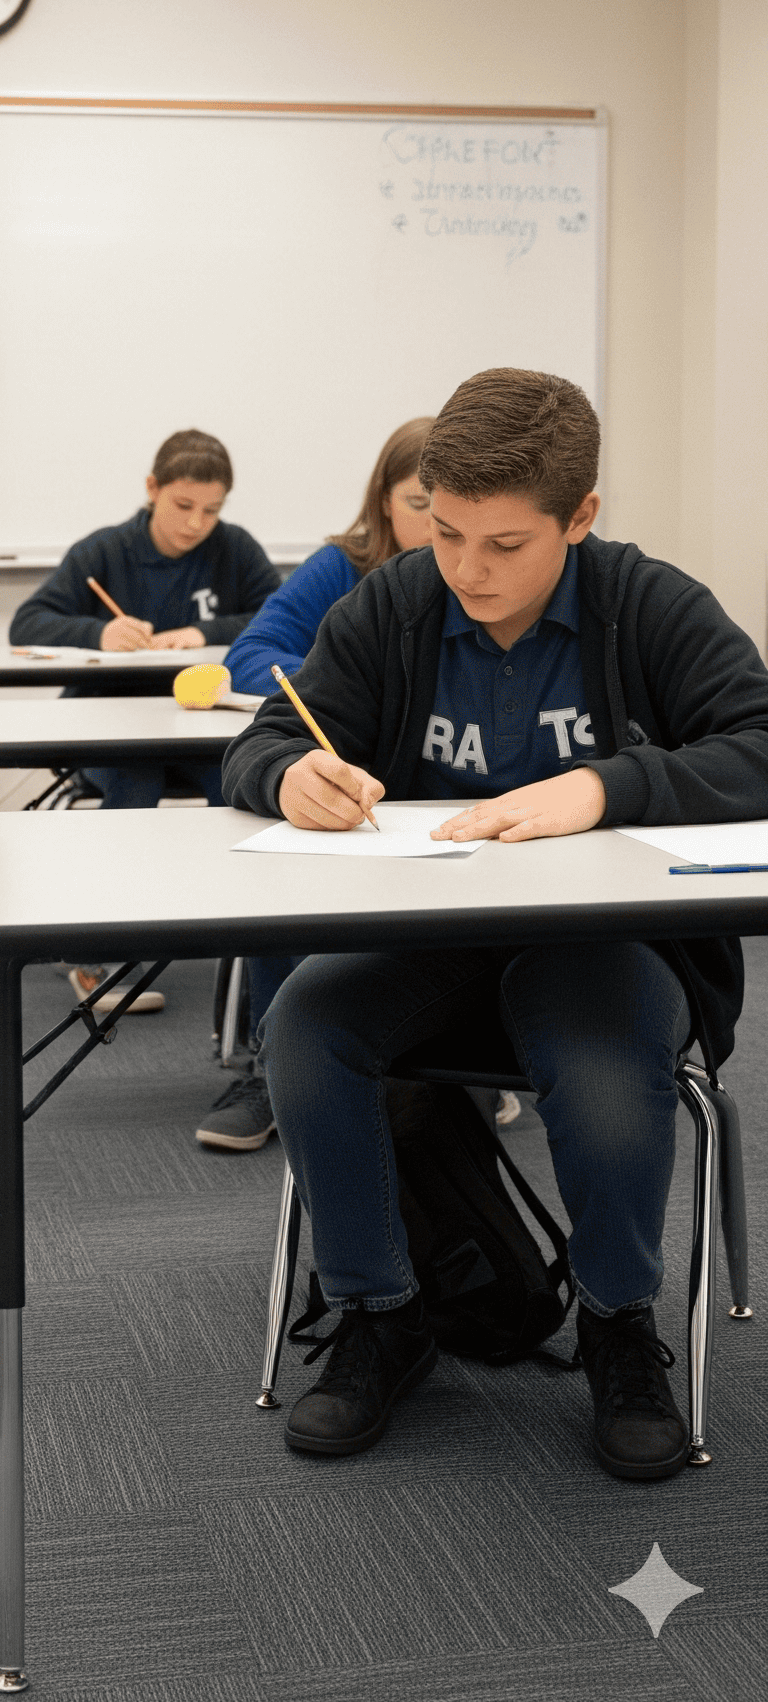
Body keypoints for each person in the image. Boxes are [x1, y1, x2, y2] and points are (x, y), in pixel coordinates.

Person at [223, 368, 768, 1481]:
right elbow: (262, 741)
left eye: (504, 544)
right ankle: (380, 1313)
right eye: (444, 530)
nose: (466, 569)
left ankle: (617, 1325)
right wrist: (288, 776)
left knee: (604, 1064)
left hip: (601, 943)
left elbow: (757, 743)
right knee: (303, 1028)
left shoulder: (647, 604)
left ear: (579, 517)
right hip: (429, 937)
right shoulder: (395, 604)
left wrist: (604, 786)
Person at [199, 416, 437, 1154]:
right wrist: (345, 686)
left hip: (438, 795)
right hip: (345, 778)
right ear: (383, 500)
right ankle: (272, 1063)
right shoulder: (344, 568)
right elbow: (253, 653)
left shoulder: (483, 578)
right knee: (284, 862)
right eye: (419, 502)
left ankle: (452, 1065)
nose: (437, 524)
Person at [11, 430, 279, 812]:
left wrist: (203, 633)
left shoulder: (235, 548)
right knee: (135, 782)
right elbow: (27, 623)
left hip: (202, 720)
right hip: (108, 721)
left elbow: (280, 620)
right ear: (153, 488)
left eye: (212, 510)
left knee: (237, 780)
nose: (196, 523)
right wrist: (99, 634)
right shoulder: (103, 550)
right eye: (183, 505)